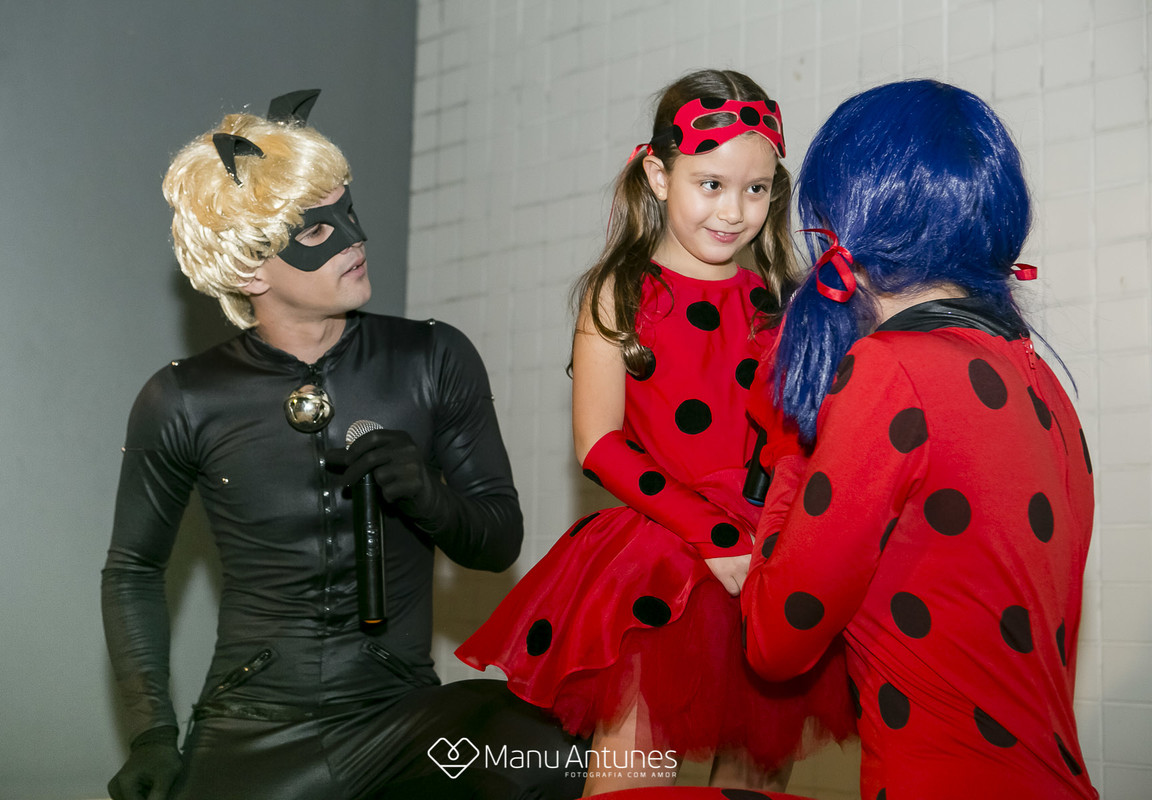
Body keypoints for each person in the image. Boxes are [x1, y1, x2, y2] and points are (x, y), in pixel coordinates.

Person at [101, 90, 584, 800]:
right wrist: (150, 733)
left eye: (348, 211)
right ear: (251, 267)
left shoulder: (432, 358)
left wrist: (428, 496)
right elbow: (134, 569)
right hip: (251, 729)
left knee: (548, 753)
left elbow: (498, 541)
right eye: (319, 229)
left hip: (402, 721)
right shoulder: (182, 398)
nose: (355, 238)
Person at [457, 70, 855, 796]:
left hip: (767, 563)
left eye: (757, 189)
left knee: (752, 781)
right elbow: (599, 445)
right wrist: (712, 534)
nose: (734, 211)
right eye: (711, 184)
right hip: (663, 562)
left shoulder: (783, 303)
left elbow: (802, 443)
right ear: (659, 175)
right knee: (634, 781)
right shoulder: (621, 291)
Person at [740, 79, 1098, 800]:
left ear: (845, 223)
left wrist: (790, 453)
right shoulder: (1046, 385)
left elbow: (775, 641)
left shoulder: (891, 371)